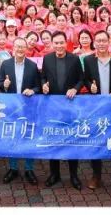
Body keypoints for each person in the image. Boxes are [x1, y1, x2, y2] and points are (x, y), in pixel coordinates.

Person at [81, 30, 111, 193]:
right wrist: (90, 86)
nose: (101, 43)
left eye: (104, 40)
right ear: (94, 43)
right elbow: (86, 80)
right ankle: (96, 175)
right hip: (97, 107)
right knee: (96, 141)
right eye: (98, 41)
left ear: (109, 42)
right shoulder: (88, 60)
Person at [40, 30, 83, 189]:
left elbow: (81, 79)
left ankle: (74, 176)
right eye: (56, 43)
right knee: (53, 140)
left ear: (66, 43)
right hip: (53, 107)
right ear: (52, 44)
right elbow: (43, 77)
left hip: (70, 105)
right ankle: (54, 174)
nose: (59, 45)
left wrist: (75, 89)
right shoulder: (47, 58)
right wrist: (44, 85)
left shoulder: (74, 59)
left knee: (72, 141)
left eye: (61, 43)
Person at [0, 36, 40, 184]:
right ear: (13, 48)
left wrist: (33, 90)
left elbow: (38, 86)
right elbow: (0, 82)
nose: (20, 49)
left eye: (22, 47)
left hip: (28, 107)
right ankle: (13, 168)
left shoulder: (32, 66)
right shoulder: (5, 64)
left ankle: (29, 169)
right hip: (11, 108)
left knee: (28, 136)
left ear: (26, 49)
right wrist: (4, 85)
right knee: (12, 137)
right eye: (17, 46)